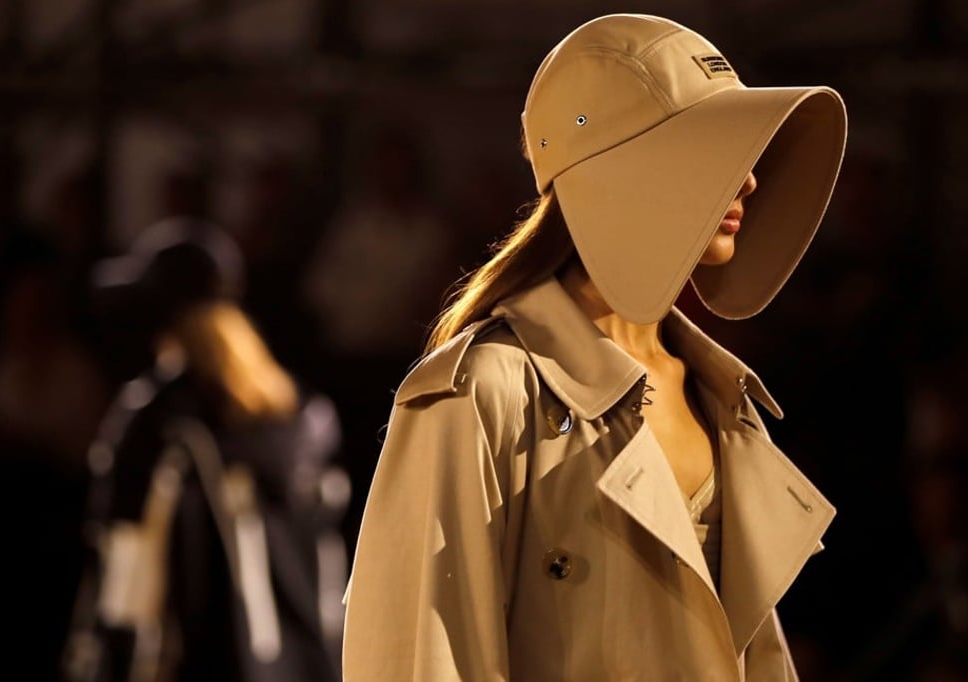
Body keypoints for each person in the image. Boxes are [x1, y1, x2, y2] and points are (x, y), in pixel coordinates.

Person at [342, 14, 847, 681]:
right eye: (714, 145)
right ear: (616, 167)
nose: (750, 180)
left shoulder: (724, 399)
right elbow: (417, 658)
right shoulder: (485, 391)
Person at [63, 217, 345, 682]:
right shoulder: (301, 416)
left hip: (194, 662)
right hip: (297, 664)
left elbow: (120, 564)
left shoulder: (157, 419)